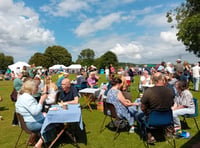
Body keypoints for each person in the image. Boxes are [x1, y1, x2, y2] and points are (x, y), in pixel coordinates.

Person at [135, 72, 174, 144]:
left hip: (152, 119)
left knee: (137, 115)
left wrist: (146, 112)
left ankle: (149, 135)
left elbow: (142, 107)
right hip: (168, 119)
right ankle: (164, 131)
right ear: (162, 79)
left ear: (153, 80)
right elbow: (171, 104)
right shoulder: (170, 91)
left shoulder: (148, 91)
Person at [15, 79, 48, 147]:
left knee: (46, 117)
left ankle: (33, 139)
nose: (38, 88)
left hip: (23, 123)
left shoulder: (21, 96)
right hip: (31, 124)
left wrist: (42, 114)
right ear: (31, 88)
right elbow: (35, 112)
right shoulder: (28, 98)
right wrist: (41, 101)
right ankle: (39, 143)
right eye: (36, 87)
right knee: (51, 124)